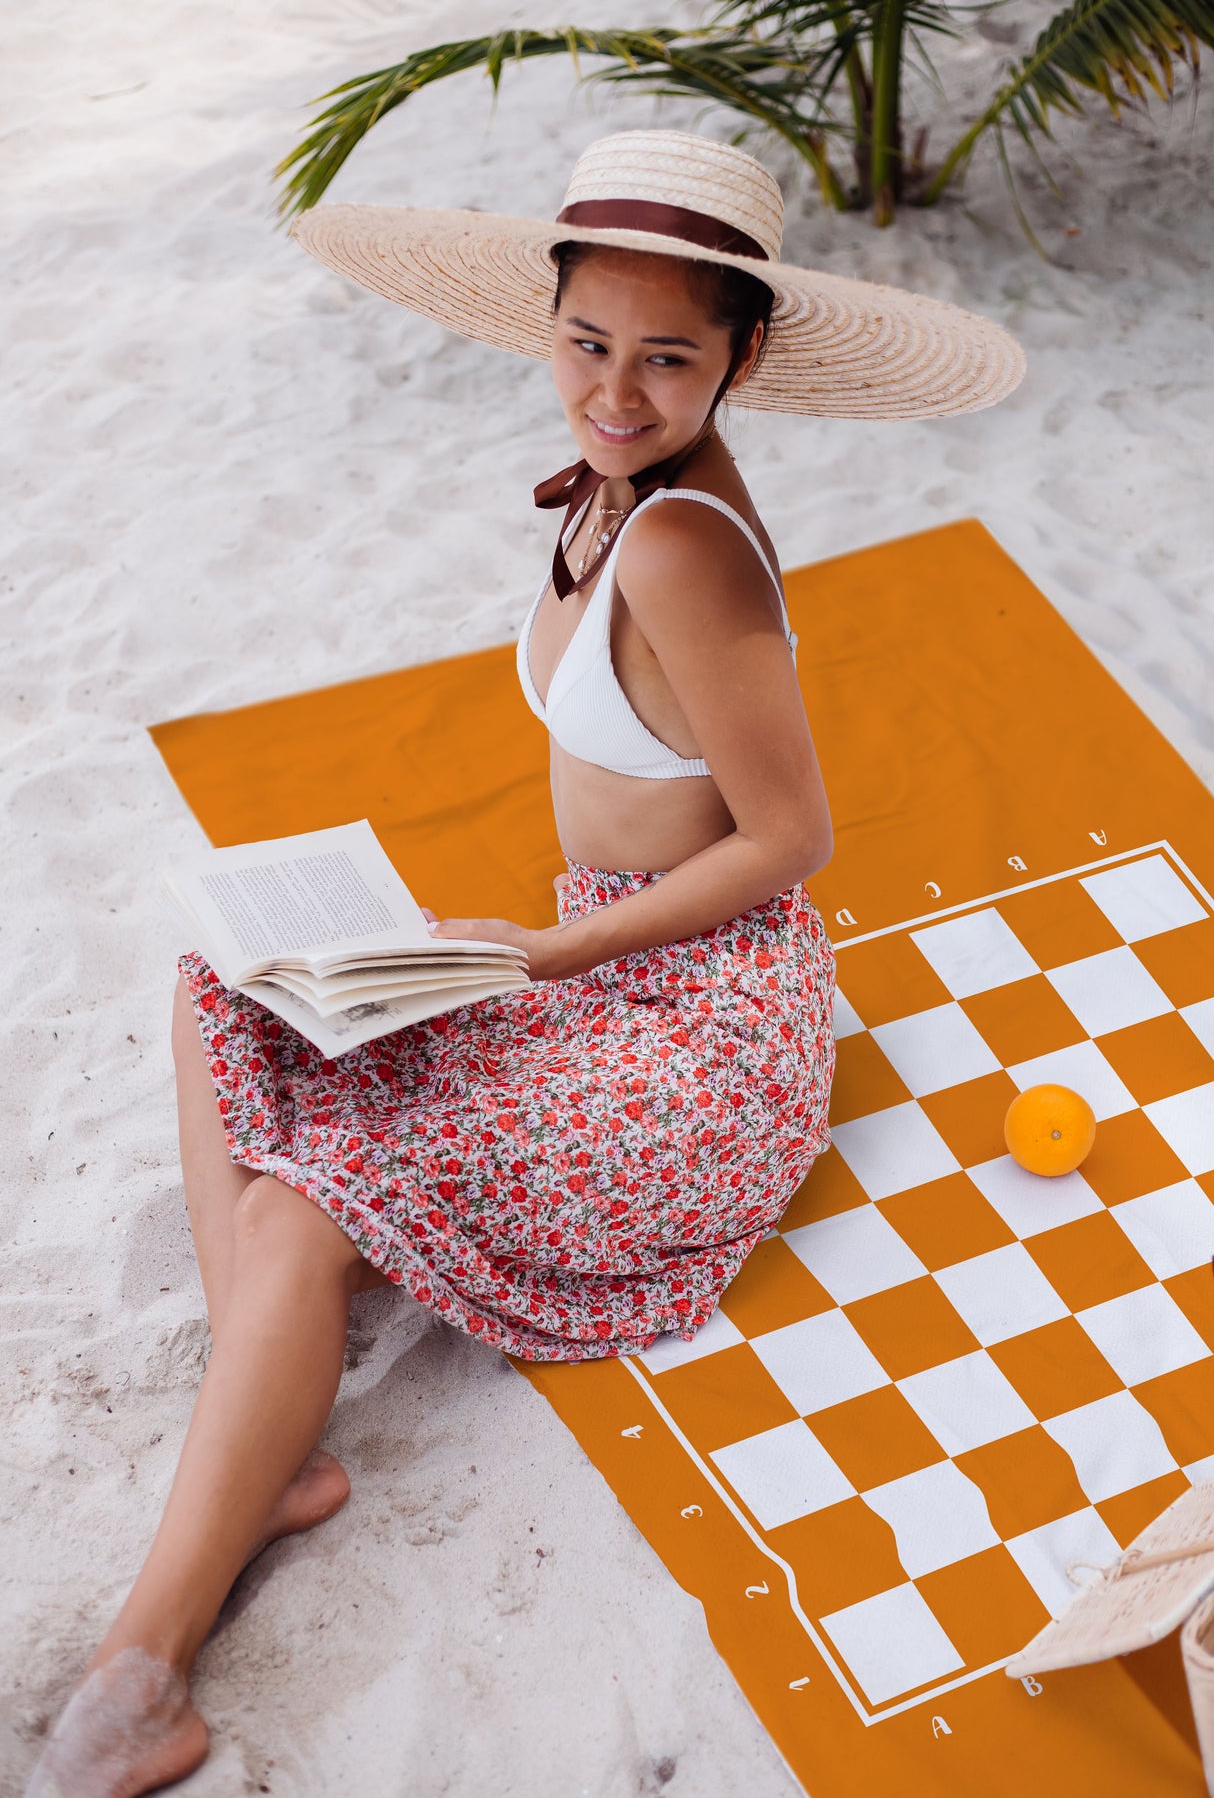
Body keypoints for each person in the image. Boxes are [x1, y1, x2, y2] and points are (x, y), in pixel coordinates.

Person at [25, 127, 1025, 1796]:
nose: (614, 392)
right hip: (599, 961)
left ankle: (150, 1661)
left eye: (667, 358)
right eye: (585, 341)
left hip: (701, 1027)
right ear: (544, 322)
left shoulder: (685, 546)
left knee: (304, 1195)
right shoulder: (610, 496)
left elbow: (789, 839)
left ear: (740, 359)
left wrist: (548, 950)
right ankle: (260, 1443)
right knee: (223, 987)